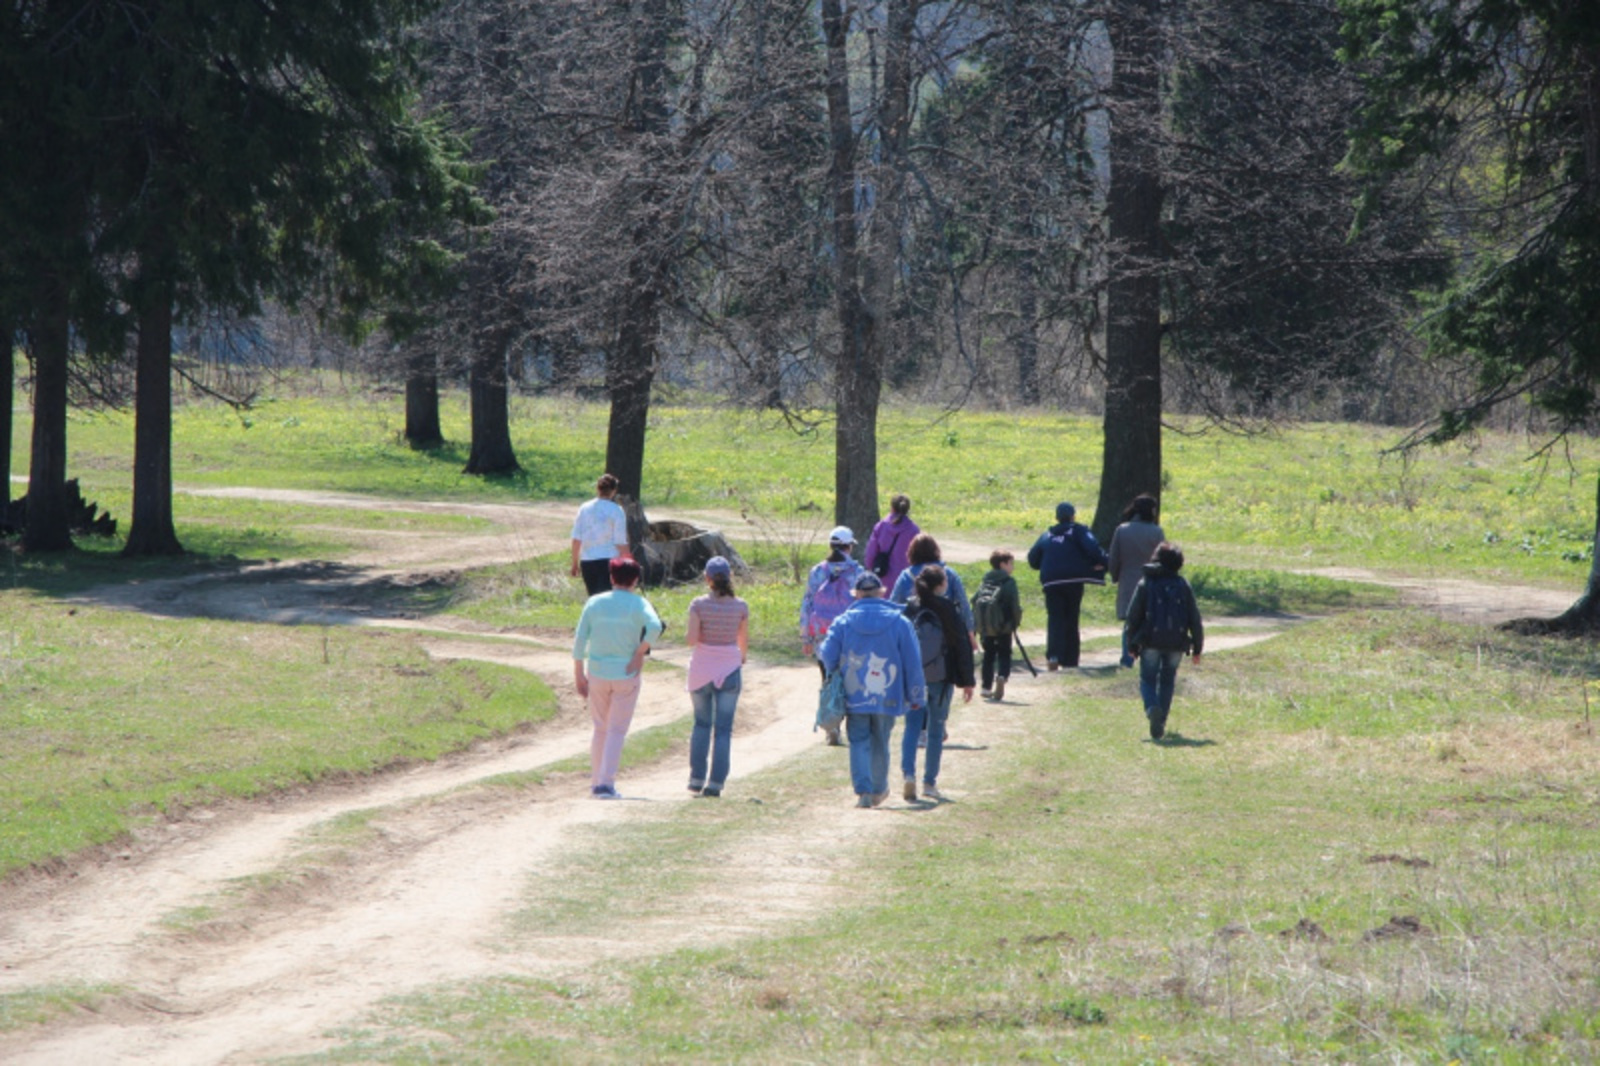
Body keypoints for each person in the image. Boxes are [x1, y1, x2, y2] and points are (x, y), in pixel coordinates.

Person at [818, 572, 926, 808]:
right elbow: (912, 662)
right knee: (881, 739)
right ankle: (878, 789)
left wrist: (836, 670)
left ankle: (864, 791)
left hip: (853, 693)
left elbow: (827, 654)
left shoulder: (843, 622)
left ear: (856, 594)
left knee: (858, 739)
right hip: (888, 695)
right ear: (881, 592)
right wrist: (916, 694)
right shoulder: (900, 622)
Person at [572, 557, 663, 798]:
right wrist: (640, 653)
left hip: (597, 671)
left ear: (612, 577)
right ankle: (606, 784)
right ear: (635, 580)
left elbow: (580, 639)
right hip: (626, 672)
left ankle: (596, 782)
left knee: (600, 728)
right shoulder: (639, 603)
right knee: (616, 730)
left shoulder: (594, 602)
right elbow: (655, 627)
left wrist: (578, 673)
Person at [901, 565, 975, 802]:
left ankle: (908, 774)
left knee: (912, 727)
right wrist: (967, 681)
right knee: (935, 730)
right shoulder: (948, 609)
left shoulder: (910, 608)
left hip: (914, 678)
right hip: (941, 678)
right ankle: (929, 782)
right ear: (941, 585)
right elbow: (961, 646)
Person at [1124, 542, 1204, 741]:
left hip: (1150, 640)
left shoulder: (1146, 583)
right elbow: (1194, 618)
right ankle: (1161, 721)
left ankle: (1152, 708)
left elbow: (1133, 616)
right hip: (1177, 642)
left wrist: (1130, 643)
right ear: (1179, 563)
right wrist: (1197, 647)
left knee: (1147, 679)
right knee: (1168, 680)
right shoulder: (1183, 585)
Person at [684, 556, 748, 798]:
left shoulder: (698, 605)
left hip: (702, 669)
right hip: (729, 667)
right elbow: (742, 640)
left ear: (707, 578)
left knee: (701, 724)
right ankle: (716, 782)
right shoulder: (740, 606)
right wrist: (741, 658)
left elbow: (691, 640)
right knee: (723, 729)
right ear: (730, 577)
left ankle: (696, 778)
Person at [800, 526, 865, 744]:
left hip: (823, 635)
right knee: (852, 682)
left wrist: (806, 637)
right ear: (849, 547)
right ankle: (853, 727)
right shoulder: (857, 572)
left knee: (828, 680)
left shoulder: (818, 571)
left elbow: (808, 603)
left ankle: (832, 726)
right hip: (850, 634)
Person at [1025, 502, 1108, 669]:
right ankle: (1070, 660)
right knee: (1071, 617)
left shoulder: (1047, 534)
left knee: (1055, 618)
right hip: (1073, 580)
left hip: (1051, 581)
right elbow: (1093, 548)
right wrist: (1105, 562)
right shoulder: (1078, 530)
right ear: (1073, 516)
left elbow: (1033, 559)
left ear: (1057, 517)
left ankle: (1053, 655)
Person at [1106, 494, 1166, 668]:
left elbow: (1114, 558)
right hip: (1152, 582)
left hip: (1128, 580)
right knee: (1149, 620)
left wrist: (1115, 576)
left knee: (1130, 623)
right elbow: (1163, 559)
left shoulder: (1122, 530)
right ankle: (1148, 658)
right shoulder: (1156, 532)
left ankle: (1127, 658)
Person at [888, 533, 976, 643]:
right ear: (936, 550)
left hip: (915, 634)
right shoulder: (949, 573)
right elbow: (963, 604)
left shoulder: (906, 576)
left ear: (912, 552)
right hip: (947, 631)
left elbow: (893, 605)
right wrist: (970, 631)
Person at [973, 550, 1023, 700]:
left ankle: (986, 687)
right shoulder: (1009, 582)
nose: (1013, 567)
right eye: (1011, 563)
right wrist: (1015, 622)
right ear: (1002, 564)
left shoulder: (985, 580)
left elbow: (974, 600)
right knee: (1004, 653)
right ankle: (1002, 676)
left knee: (988, 655)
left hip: (986, 627)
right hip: (1003, 626)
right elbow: (1014, 605)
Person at [570, 473, 631, 596]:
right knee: (608, 598)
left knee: (594, 598)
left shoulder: (584, 508)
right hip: (609, 560)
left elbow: (576, 539)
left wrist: (574, 563)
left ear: (597, 489)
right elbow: (620, 542)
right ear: (614, 491)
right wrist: (629, 561)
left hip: (588, 561)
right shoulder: (616, 510)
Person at [863, 494, 920, 589]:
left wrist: (870, 568)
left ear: (892, 508)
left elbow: (870, 553)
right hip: (906, 579)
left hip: (883, 577)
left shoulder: (881, 526)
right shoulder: (913, 530)